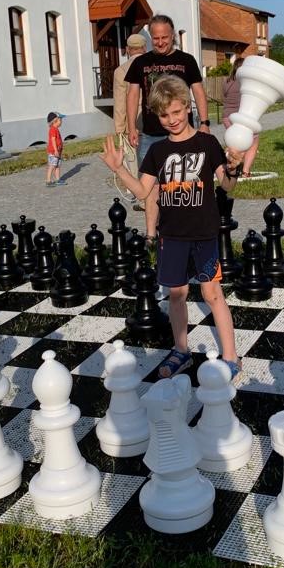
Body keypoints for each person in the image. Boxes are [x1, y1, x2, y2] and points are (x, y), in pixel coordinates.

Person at [101, 75, 244, 381]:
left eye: (177, 112)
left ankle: (231, 357)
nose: (172, 119)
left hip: (204, 233)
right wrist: (119, 168)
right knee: (176, 294)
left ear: (188, 107)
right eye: (164, 115)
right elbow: (143, 191)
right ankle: (181, 351)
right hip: (172, 235)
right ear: (157, 116)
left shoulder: (207, 143)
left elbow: (227, 185)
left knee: (212, 294)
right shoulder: (158, 151)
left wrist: (234, 168)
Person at [125, 14, 210, 246]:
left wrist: (204, 122)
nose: (160, 42)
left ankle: (186, 230)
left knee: (184, 182)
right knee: (151, 186)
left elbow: (198, 91)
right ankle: (151, 234)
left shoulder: (186, 60)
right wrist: (131, 126)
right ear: (150, 38)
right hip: (151, 135)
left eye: (165, 37)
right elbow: (132, 94)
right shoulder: (141, 63)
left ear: (173, 36)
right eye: (156, 38)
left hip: (183, 135)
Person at [113, 33, 147, 210]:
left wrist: (120, 129)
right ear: (144, 48)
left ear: (127, 50)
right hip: (155, 119)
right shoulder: (152, 64)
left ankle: (143, 199)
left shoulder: (121, 71)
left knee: (135, 163)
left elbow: (120, 103)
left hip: (132, 123)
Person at [222, 57, 260, 178]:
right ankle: (245, 171)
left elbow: (225, 96)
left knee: (234, 143)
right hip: (241, 118)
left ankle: (229, 168)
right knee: (253, 141)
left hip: (227, 117)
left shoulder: (227, 82)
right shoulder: (247, 82)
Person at [45, 112, 63, 187]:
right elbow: (53, 140)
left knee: (57, 166)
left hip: (58, 152)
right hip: (53, 152)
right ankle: (48, 181)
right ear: (55, 121)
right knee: (52, 166)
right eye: (60, 120)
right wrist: (55, 150)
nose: (61, 122)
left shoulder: (56, 129)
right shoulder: (53, 130)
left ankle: (57, 179)